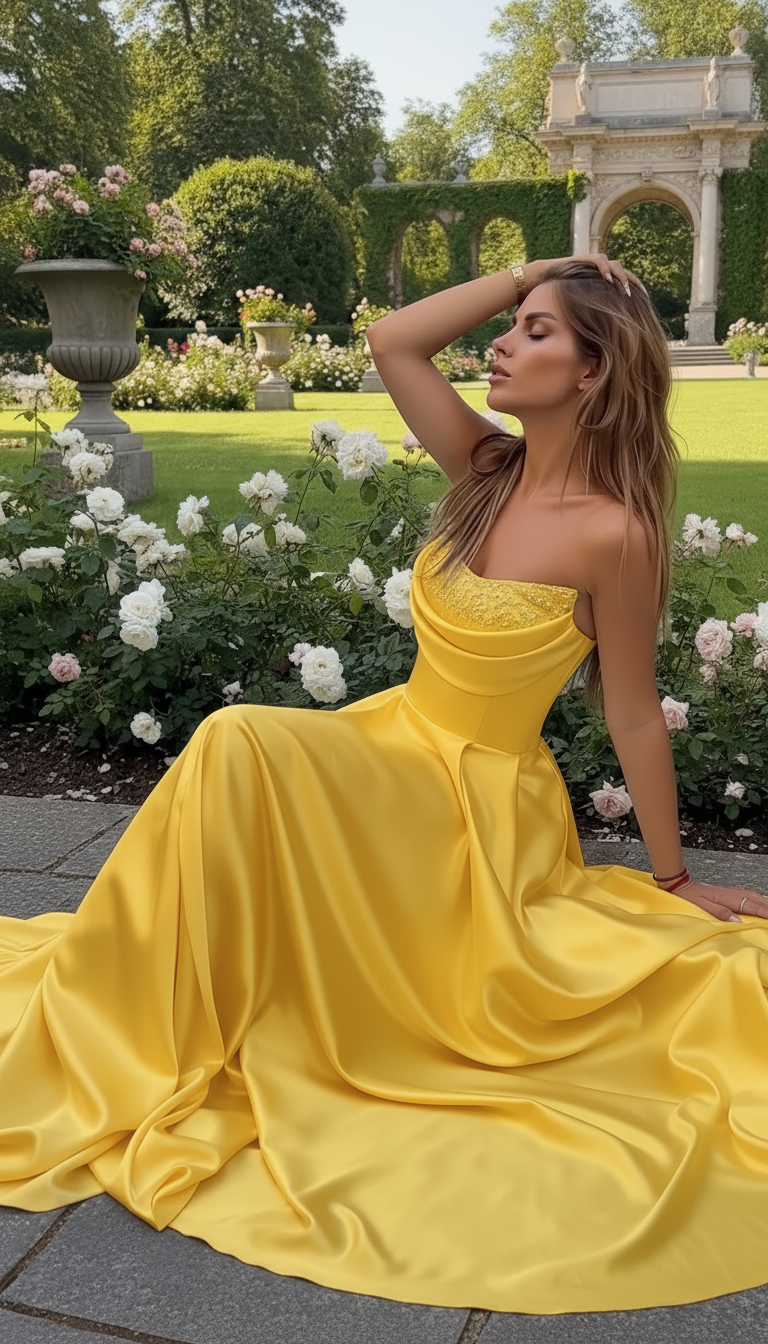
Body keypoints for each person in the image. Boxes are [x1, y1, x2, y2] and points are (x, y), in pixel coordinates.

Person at [1, 254, 767, 1318]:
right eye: (517, 325)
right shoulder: (484, 470)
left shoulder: (614, 532)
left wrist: (675, 878)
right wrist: (524, 275)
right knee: (239, 752)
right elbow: (393, 343)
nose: (503, 343)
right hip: (392, 743)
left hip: (479, 804)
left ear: (595, 374)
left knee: (235, 741)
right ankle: (130, 1006)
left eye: (539, 333)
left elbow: (631, 712)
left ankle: (130, 1021)